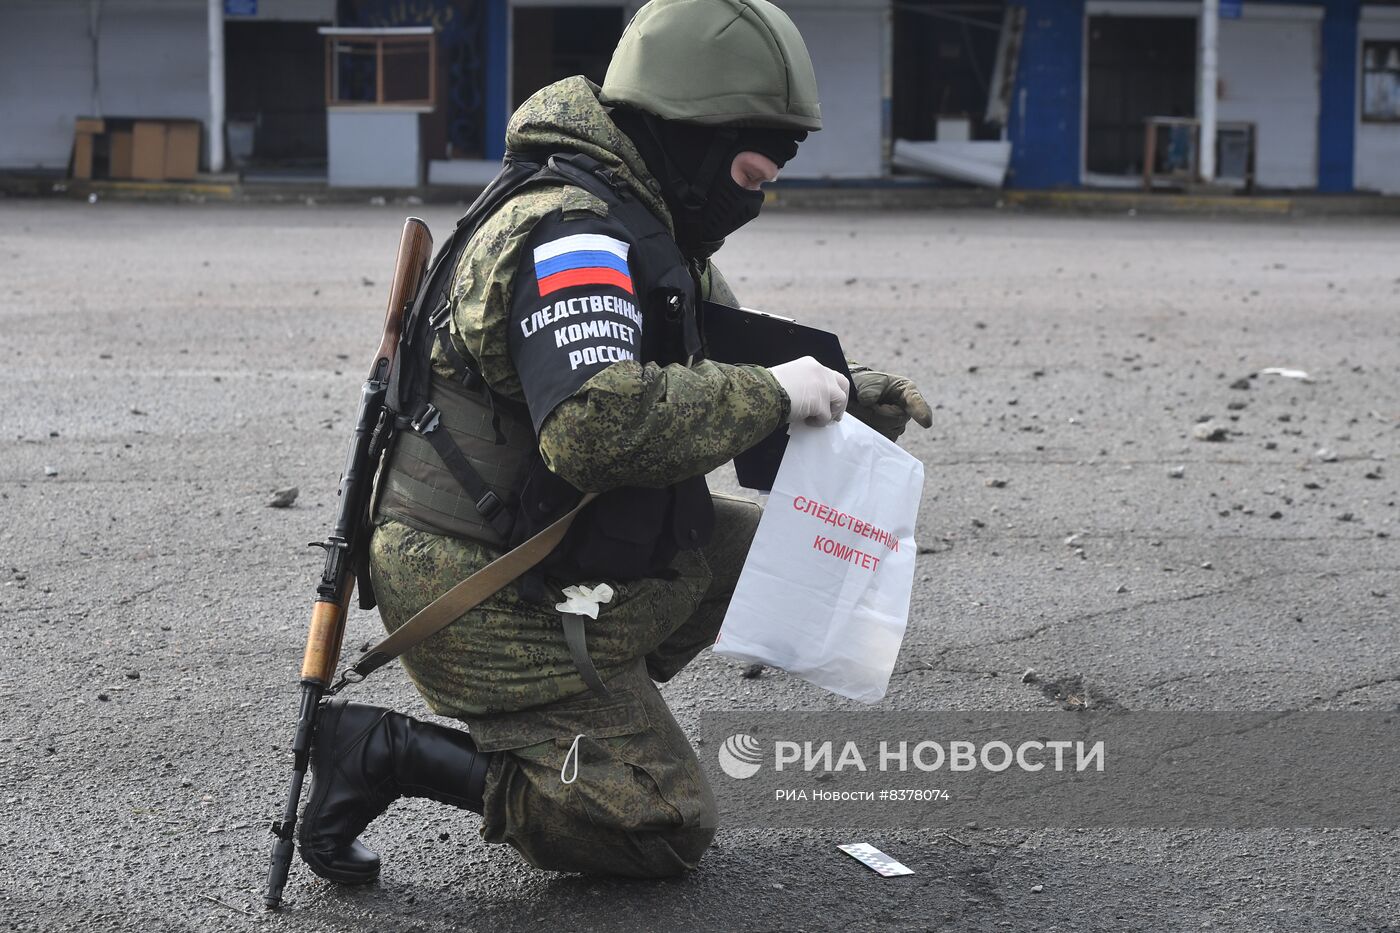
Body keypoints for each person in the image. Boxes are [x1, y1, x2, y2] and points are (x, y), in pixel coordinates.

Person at [296, 0, 932, 883]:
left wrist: (844, 396)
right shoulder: (571, 232)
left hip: (545, 544)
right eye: (751, 168)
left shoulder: (648, 217)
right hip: (478, 582)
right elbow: (597, 426)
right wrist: (774, 393)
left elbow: (715, 359)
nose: (757, 195)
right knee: (660, 826)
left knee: (799, 556)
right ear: (692, 134)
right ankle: (389, 752)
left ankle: (594, 708)